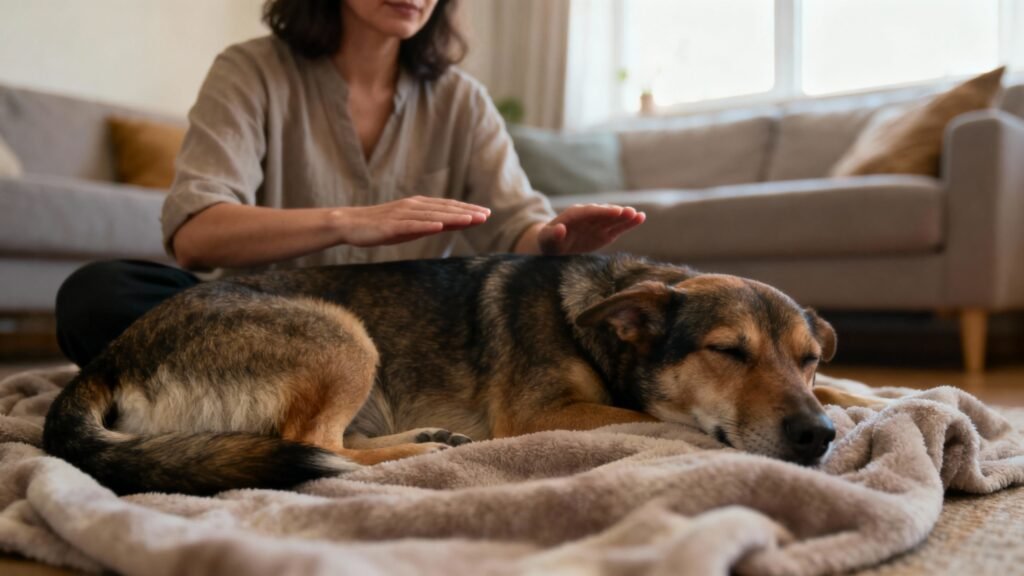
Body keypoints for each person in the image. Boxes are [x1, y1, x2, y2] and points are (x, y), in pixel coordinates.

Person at [55, 0, 646, 367]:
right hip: (264, 321)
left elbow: (520, 226)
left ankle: (286, 403)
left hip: (404, 336)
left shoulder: (462, 99)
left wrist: (554, 240)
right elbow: (196, 233)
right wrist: (350, 221)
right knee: (99, 295)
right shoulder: (250, 70)